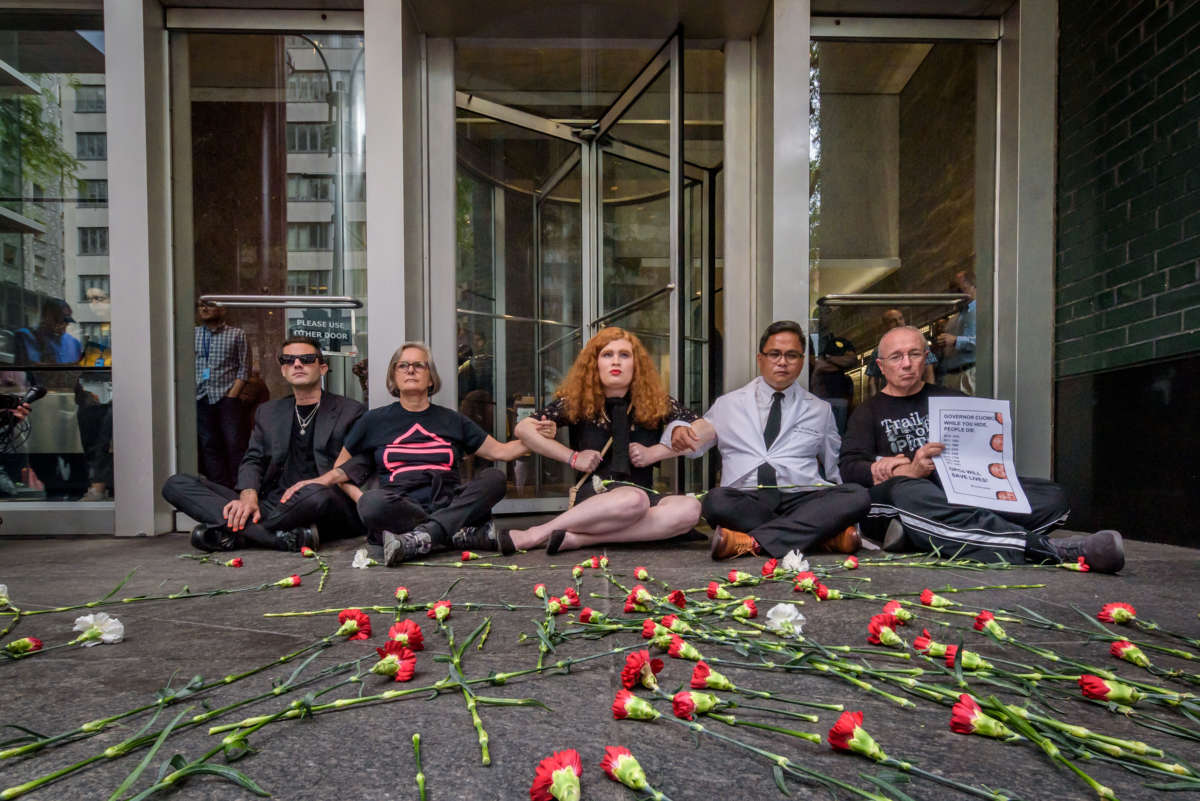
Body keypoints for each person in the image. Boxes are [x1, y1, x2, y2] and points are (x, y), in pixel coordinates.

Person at [838, 325, 1123, 572]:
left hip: (961, 494)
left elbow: (982, 454)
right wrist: (908, 470)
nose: (906, 363)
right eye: (896, 357)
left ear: (926, 357)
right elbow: (850, 469)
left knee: (1053, 497)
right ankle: (1042, 549)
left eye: (914, 354)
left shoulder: (953, 399)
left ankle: (928, 534)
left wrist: (993, 470)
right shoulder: (868, 412)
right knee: (910, 492)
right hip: (903, 498)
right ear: (881, 364)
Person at [320, 342, 542, 566]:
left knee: (496, 478)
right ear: (393, 377)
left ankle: (422, 537)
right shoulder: (372, 421)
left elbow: (502, 452)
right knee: (371, 502)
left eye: (419, 365)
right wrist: (361, 500)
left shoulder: (452, 420)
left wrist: (540, 435)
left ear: (431, 378)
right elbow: (341, 468)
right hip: (401, 507)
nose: (410, 370)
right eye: (403, 365)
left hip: (449, 501)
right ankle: (455, 533)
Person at [669, 320, 870, 560]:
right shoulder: (729, 404)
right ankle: (821, 538)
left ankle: (751, 542)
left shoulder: (820, 409)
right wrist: (677, 428)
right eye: (774, 354)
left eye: (791, 355)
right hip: (747, 498)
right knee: (716, 501)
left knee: (857, 495)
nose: (782, 362)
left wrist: (835, 506)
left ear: (802, 361)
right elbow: (694, 445)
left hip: (802, 497)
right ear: (760, 359)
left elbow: (833, 466)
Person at [503, 327, 703, 555]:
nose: (615, 361)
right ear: (595, 363)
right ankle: (538, 532)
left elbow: (705, 429)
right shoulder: (576, 401)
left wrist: (659, 448)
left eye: (624, 355)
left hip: (641, 496)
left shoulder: (656, 402)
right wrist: (573, 457)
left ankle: (579, 540)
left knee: (690, 508)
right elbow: (523, 428)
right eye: (607, 355)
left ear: (636, 365)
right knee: (632, 499)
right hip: (595, 495)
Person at [163, 337, 369, 552]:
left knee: (315, 493)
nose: (297, 364)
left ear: (323, 368)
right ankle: (279, 538)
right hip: (272, 504)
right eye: (289, 360)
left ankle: (242, 534)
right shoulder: (269, 412)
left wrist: (323, 481)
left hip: (321, 502)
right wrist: (248, 495)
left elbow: (361, 461)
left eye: (306, 359)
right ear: (283, 370)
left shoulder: (350, 411)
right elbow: (253, 458)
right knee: (176, 484)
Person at [194, 300, 249, 487]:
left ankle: (240, 487)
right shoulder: (192, 334)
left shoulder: (236, 334)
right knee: (209, 445)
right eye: (200, 305)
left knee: (234, 444)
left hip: (226, 397)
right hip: (200, 396)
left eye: (209, 304)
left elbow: (244, 367)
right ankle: (220, 487)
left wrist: (232, 396)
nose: (204, 308)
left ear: (222, 309)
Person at [865, 309, 935, 390]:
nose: (898, 322)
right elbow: (872, 381)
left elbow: (929, 372)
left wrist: (929, 396)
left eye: (901, 318)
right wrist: (876, 401)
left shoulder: (919, 343)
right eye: (893, 321)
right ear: (885, 326)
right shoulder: (879, 351)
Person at [936, 271, 977, 394]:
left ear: (973, 287)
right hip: (951, 375)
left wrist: (955, 340)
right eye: (953, 292)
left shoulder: (983, 311)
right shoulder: (954, 319)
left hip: (969, 373)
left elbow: (987, 343)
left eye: (960, 290)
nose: (956, 296)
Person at [809, 334, 857, 435]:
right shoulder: (820, 367)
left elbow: (852, 360)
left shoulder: (844, 377)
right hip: (825, 404)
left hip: (839, 406)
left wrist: (831, 359)